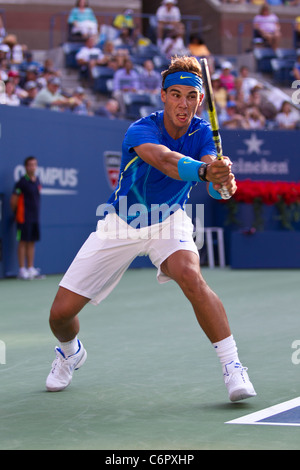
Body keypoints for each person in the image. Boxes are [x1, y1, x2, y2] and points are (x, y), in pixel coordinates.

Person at [45, 55, 257, 404]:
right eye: (175, 95)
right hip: (121, 222)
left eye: (190, 97)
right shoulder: (141, 129)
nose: (183, 103)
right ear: (163, 95)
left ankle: (233, 366)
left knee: (190, 275)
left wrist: (220, 178)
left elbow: (208, 165)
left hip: (169, 219)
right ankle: (70, 351)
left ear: (200, 100)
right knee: (60, 314)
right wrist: (205, 174)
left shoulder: (202, 132)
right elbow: (164, 160)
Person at [10, 156, 42, 280]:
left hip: (35, 217)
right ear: (26, 167)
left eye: (34, 164)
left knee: (31, 242)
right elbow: (13, 201)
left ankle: (30, 268)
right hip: (23, 218)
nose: (32, 167)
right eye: (30, 165)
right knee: (23, 242)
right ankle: (22, 270)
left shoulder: (37, 180)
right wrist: (17, 214)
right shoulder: (21, 182)